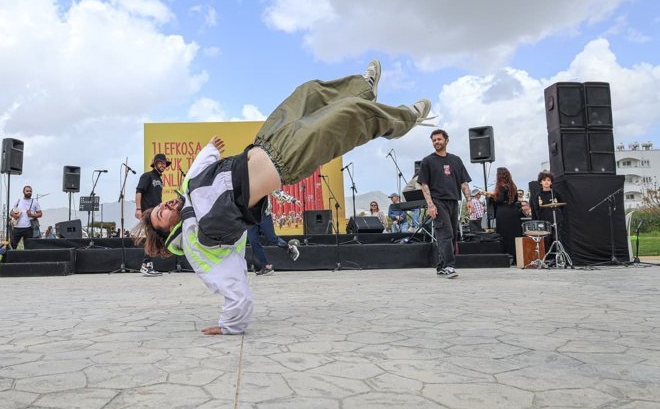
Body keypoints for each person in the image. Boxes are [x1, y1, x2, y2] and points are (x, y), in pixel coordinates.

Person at [134, 60, 433, 334]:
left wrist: (211, 148)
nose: (164, 204)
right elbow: (228, 278)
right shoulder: (196, 240)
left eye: (160, 205)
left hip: (265, 141)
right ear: (169, 231)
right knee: (349, 116)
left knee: (308, 92)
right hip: (287, 161)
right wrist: (231, 324)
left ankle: (363, 87)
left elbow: (197, 167)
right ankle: (406, 119)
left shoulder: (188, 190)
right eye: (161, 213)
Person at [418, 129, 471, 279]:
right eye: (434, 140)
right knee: (445, 234)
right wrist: (430, 205)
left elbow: (464, 182)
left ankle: (441, 266)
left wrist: (469, 200)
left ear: (446, 141)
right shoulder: (428, 161)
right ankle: (449, 266)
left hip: (454, 201)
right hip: (437, 201)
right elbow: (424, 185)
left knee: (453, 235)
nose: (436, 142)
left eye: (439, 139)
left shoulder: (456, 160)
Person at [247, 198, 300, 276]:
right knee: (253, 241)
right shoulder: (244, 186)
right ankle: (266, 267)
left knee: (272, 238)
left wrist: (293, 200)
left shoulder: (263, 185)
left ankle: (289, 248)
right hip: (250, 217)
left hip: (263, 213)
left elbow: (276, 191)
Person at [135, 153, 168, 277]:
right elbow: (139, 192)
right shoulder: (147, 176)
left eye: (164, 163)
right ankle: (146, 265)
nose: (163, 165)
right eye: (160, 163)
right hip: (147, 212)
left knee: (154, 238)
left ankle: (148, 265)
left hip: (156, 212)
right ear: (154, 163)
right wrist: (138, 208)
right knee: (151, 238)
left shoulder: (159, 179)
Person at [484, 167, 522, 264]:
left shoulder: (500, 186)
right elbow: (516, 200)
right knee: (515, 235)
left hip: (503, 213)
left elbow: (499, 200)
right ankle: (517, 257)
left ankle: (507, 257)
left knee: (504, 236)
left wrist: (491, 196)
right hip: (514, 212)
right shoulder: (513, 186)